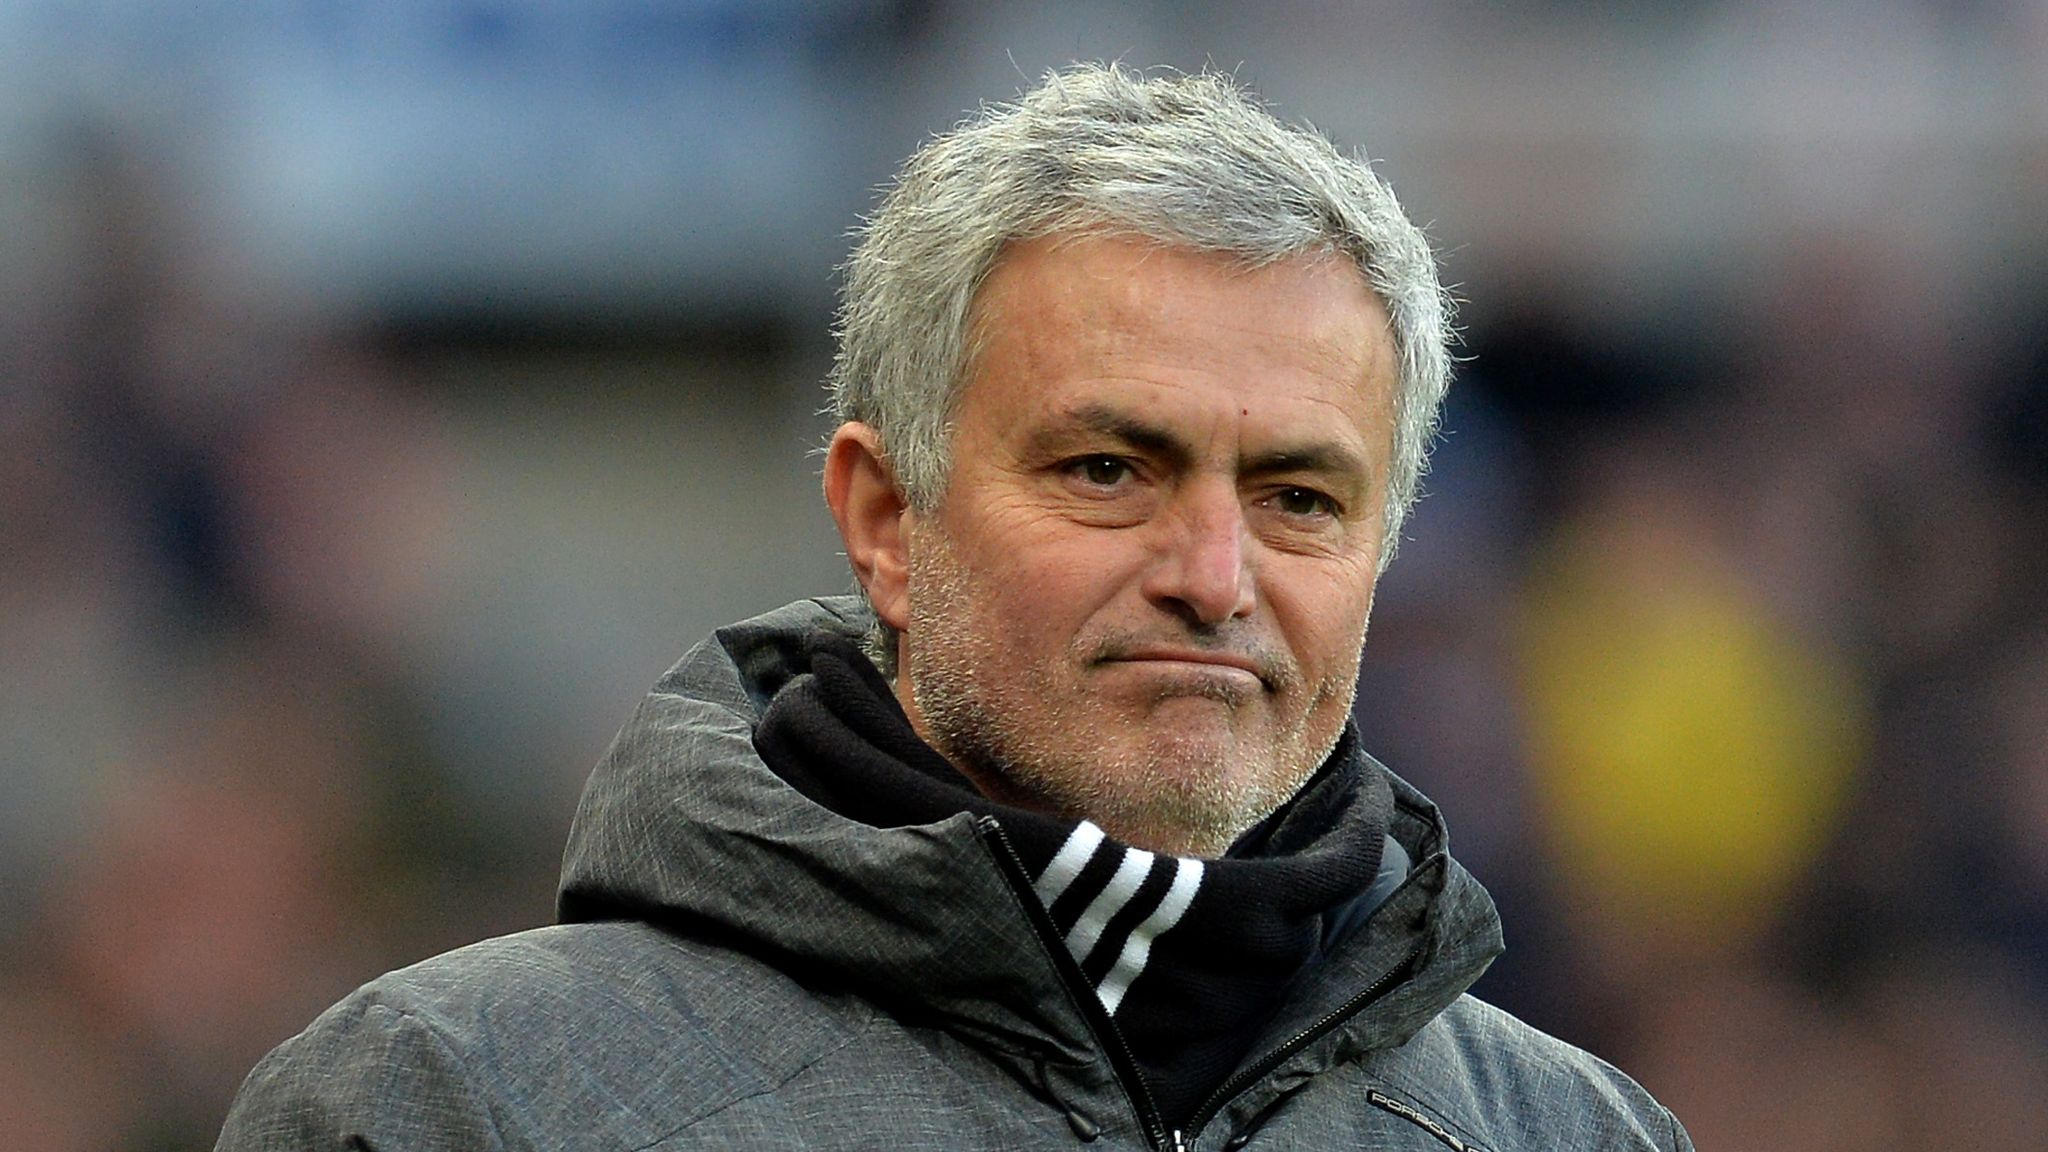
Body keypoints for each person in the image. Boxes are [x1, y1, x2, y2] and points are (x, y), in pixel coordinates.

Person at [218, 64, 1691, 1151]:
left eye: (1300, 497)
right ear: (886, 520)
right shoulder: (453, 1102)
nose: (1214, 576)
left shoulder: (1574, 1134)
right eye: (1109, 469)